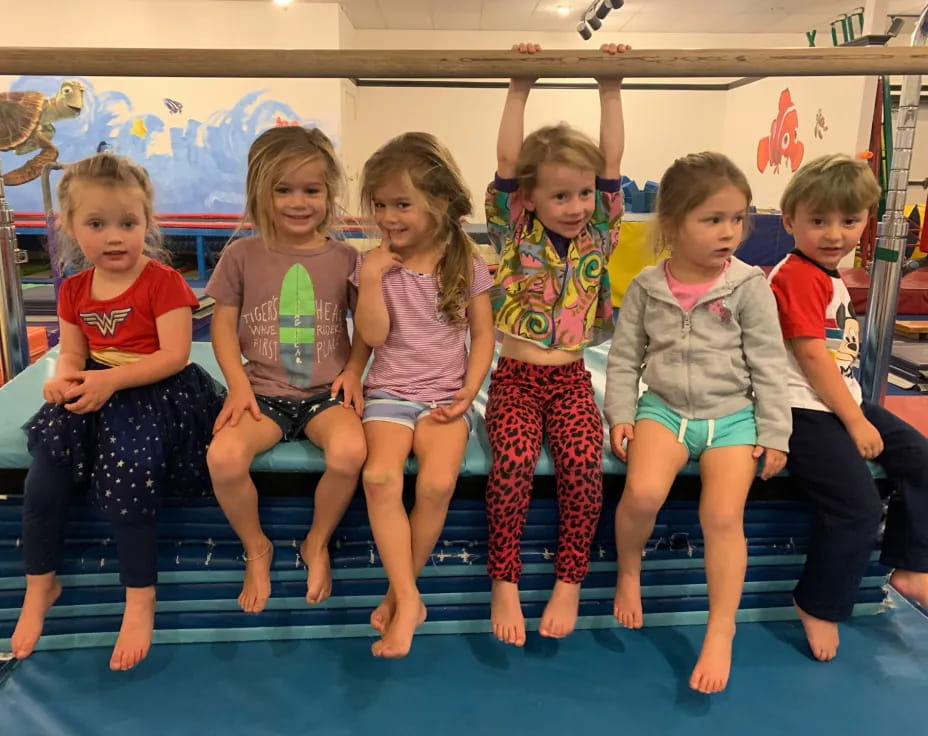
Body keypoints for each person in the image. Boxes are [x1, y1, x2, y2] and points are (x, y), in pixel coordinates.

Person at [11, 153, 224, 670]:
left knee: (130, 472)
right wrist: (64, 379)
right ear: (68, 227)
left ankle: (139, 597)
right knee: (44, 479)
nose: (114, 237)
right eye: (97, 224)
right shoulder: (74, 289)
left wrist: (110, 381)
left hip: (156, 389)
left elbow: (173, 355)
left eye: (128, 223)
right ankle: (41, 584)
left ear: (147, 223)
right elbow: (74, 350)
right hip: (98, 381)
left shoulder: (163, 282)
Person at [605, 152, 791, 693]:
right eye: (713, 220)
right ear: (673, 225)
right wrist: (621, 413)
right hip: (663, 408)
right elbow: (623, 358)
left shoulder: (748, 285)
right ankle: (630, 571)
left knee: (722, 514)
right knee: (640, 493)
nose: (729, 232)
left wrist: (774, 432)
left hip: (731, 417)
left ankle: (720, 627)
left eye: (738, 218)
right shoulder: (645, 285)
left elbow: (769, 362)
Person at [484, 42, 627, 647]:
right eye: (560, 196)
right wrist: (519, 86)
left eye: (584, 194)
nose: (575, 206)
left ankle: (570, 579)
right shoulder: (513, 231)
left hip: (570, 378)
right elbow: (508, 162)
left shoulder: (600, 234)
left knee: (583, 469)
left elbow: (612, 162)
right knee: (512, 465)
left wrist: (610, 86)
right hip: (515, 378)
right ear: (531, 200)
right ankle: (504, 579)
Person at [768, 153, 928, 662]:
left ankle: (911, 566)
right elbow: (812, 355)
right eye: (818, 221)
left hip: (841, 401)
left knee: (921, 459)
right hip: (801, 411)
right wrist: (855, 420)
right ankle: (818, 602)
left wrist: (856, 410)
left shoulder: (830, 274)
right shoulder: (795, 275)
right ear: (789, 220)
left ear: (865, 224)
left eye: (849, 221)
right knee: (856, 506)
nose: (834, 233)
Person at [205, 126, 368, 614]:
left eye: (312, 190)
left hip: (324, 392)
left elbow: (365, 326)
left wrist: (355, 370)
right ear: (261, 192)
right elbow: (221, 329)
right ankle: (257, 546)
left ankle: (316, 540)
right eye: (284, 190)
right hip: (262, 391)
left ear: (329, 194)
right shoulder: (242, 255)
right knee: (223, 458)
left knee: (349, 452)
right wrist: (237, 387)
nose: (299, 202)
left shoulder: (344, 258)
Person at [353, 131, 494, 658]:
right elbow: (371, 337)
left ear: (438, 203)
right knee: (379, 476)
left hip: (445, 397)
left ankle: (400, 593)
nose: (389, 216)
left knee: (436, 484)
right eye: (381, 205)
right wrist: (369, 282)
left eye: (402, 204)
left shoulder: (465, 264)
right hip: (388, 391)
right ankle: (411, 599)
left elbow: (483, 336)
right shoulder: (374, 265)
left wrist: (469, 391)